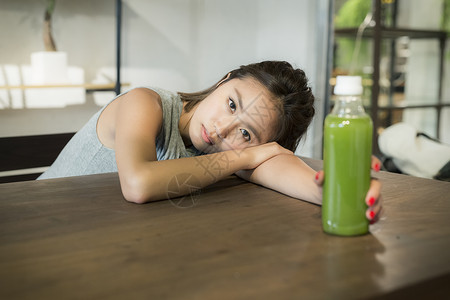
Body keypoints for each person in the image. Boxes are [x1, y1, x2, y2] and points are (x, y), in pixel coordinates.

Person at [38, 61, 382, 223]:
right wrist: (246, 156)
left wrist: (339, 191)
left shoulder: (224, 154)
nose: (222, 130)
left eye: (245, 133)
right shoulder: (145, 103)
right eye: (232, 103)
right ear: (224, 79)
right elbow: (138, 185)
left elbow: (279, 164)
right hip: (31, 230)